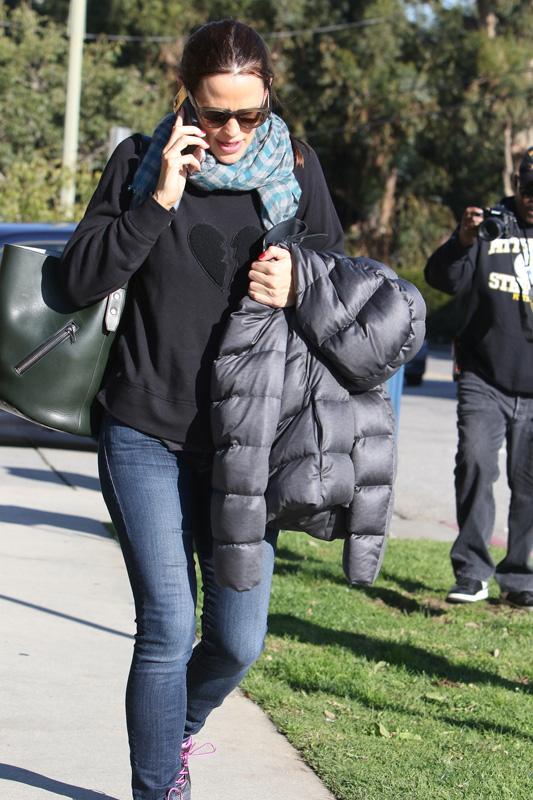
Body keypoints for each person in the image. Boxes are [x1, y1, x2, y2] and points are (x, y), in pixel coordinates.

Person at [60, 19, 424, 800]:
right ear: (186, 96)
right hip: (142, 428)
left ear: (268, 103)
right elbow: (77, 280)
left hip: (246, 441)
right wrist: (156, 200)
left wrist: (298, 286)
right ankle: (157, 787)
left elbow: (336, 278)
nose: (230, 132)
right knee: (165, 626)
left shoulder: (294, 166)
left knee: (236, 641)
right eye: (213, 112)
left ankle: (175, 729)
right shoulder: (138, 162)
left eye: (247, 115)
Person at [425, 146, 533, 610]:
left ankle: (521, 577)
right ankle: (471, 572)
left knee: (528, 482)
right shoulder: (492, 225)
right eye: (529, 188)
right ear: (518, 182)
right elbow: (442, 278)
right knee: (474, 463)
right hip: (483, 375)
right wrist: (464, 240)